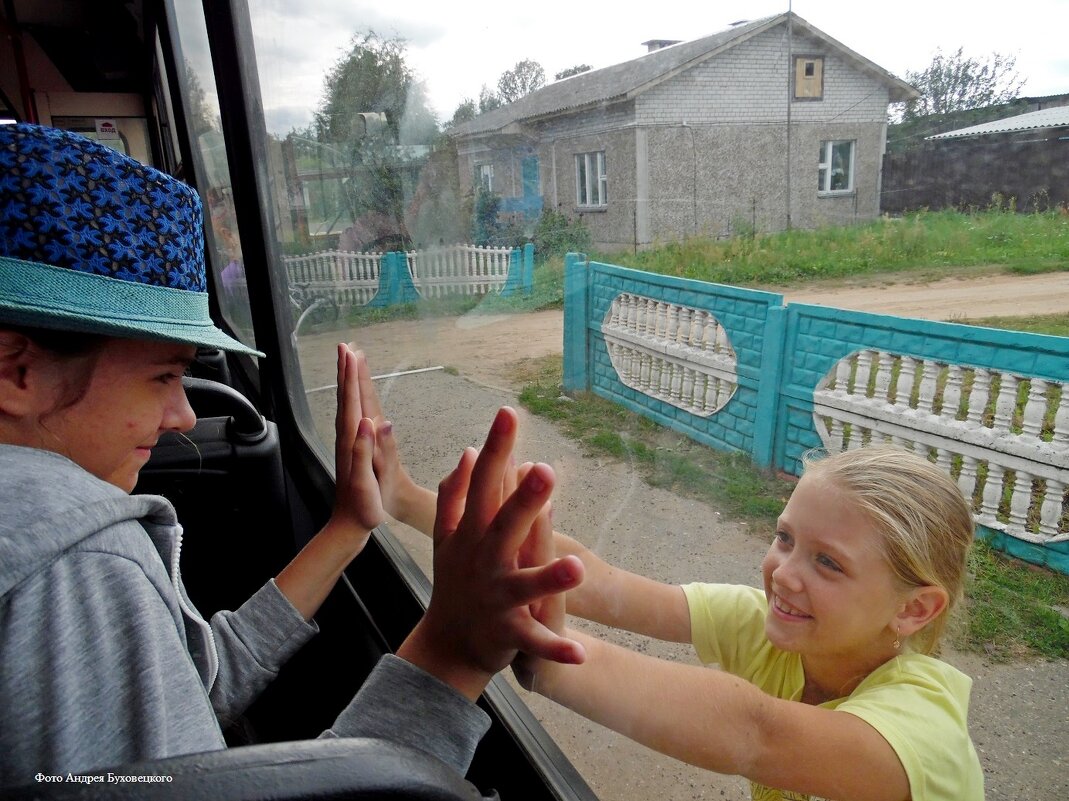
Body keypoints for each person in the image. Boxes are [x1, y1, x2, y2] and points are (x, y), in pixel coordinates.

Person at [0, 123, 585, 788]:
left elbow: (192, 687)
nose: (184, 415)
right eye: (163, 377)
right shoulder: (74, 560)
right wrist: (455, 652)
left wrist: (347, 526)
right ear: (16, 370)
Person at [352, 363, 983, 801]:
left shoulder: (919, 733)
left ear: (915, 610)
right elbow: (603, 583)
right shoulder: (771, 627)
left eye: (829, 563)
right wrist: (406, 501)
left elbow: (756, 733)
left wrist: (551, 657)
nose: (782, 573)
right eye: (785, 538)